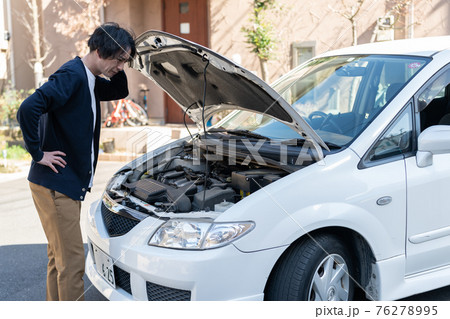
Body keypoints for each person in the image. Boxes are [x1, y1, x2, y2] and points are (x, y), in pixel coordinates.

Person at [16, 22, 136, 301]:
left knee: (58, 259)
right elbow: (28, 108)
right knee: (71, 264)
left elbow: (119, 92)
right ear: (98, 50)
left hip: (59, 183)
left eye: (124, 61)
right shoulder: (73, 75)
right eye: (118, 60)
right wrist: (38, 153)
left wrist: (121, 63)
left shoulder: (91, 80)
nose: (120, 67)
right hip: (57, 185)